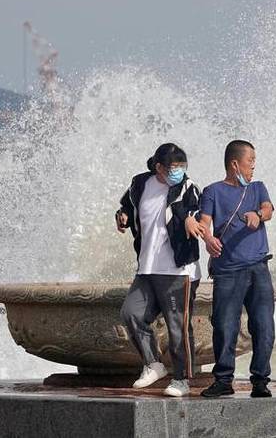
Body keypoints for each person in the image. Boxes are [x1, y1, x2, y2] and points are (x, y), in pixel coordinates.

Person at [115, 143, 204, 397]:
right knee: (131, 313)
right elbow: (127, 205)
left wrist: (190, 218)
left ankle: (182, 379)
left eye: (182, 167)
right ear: (159, 167)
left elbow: (197, 210)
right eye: (174, 168)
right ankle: (154, 364)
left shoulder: (187, 187)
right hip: (147, 267)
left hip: (178, 270)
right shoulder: (140, 184)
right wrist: (121, 215)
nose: (179, 172)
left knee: (178, 326)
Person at [198, 140, 276, 398]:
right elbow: (204, 223)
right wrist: (208, 240)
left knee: (263, 326)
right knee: (224, 326)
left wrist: (257, 215)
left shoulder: (257, 188)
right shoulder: (212, 192)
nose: (253, 165)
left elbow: (268, 210)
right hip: (228, 271)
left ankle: (260, 381)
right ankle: (222, 380)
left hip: (258, 268)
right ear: (235, 164)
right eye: (249, 160)